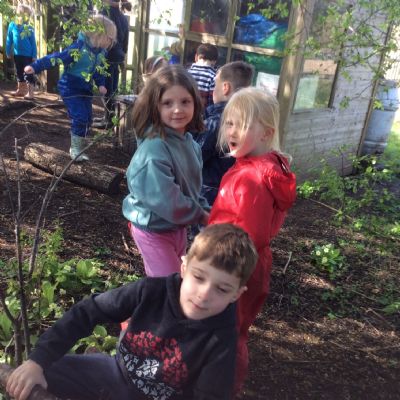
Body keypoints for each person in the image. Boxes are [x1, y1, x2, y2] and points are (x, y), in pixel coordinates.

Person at [6, 223, 258, 400]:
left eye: (222, 289)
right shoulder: (151, 291)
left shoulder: (222, 337)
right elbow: (89, 310)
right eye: (199, 277)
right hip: (115, 374)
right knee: (39, 373)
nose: (204, 294)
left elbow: (210, 395)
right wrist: (37, 361)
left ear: (237, 294)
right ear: (184, 268)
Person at [208, 87, 297, 391]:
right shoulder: (265, 165)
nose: (231, 131)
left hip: (232, 267)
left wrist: (208, 257)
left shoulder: (252, 179)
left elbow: (242, 237)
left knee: (226, 330)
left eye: (241, 124)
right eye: (229, 123)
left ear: (266, 133)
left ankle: (221, 387)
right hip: (249, 265)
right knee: (234, 328)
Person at [123, 65, 210, 277]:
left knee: (178, 278)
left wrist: (208, 211)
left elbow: (192, 189)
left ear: (195, 103)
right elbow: (167, 201)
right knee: (167, 285)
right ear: (155, 107)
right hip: (153, 229)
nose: (177, 109)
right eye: (168, 103)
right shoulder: (154, 150)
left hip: (176, 226)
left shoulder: (190, 144)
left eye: (185, 102)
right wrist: (201, 215)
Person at [24, 15, 117, 161]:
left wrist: (101, 84)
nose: (112, 42)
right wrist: (36, 66)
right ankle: (75, 150)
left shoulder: (101, 52)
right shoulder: (79, 48)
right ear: (99, 35)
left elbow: (98, 70)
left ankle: (80, 146)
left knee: (88, 119)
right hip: (70, 87)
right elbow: (57, 57)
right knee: (80, 116)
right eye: (110, 38)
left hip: (85, 89)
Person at [194, 61, 254, 206]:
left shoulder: (216, 122)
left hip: (209, 196)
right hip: (233, 195)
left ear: (225, 87)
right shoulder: (252, 121)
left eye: (215, 84)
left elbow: (193, 159)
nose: (213, 89)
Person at [93, 0, 130, 129]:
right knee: (112, 88)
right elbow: (126, 41)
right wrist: (122, 56)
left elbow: (98, 36)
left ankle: (108, 120)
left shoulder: (104, 14)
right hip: (117, 56)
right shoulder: (123, 17)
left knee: (106, 88)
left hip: (107, 55)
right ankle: (109, 117)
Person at [6, 4, 37, 99]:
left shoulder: (29, 27)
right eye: (19, 14)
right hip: (17, 54)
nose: (21, 17)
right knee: (19, 72)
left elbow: (33, 43)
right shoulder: (12, 25)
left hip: (27, 55)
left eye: (24, 15)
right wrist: (8, 51)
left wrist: (34, 55)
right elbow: (9, 40)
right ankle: (21, 90)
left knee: (28, 73)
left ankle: (30, 93)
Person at [188, 43, 218, 109]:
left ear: (196, 57)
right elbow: (211, 103)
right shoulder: (214, 77)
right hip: (202, 114)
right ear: (214, 61)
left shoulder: (186, 73)